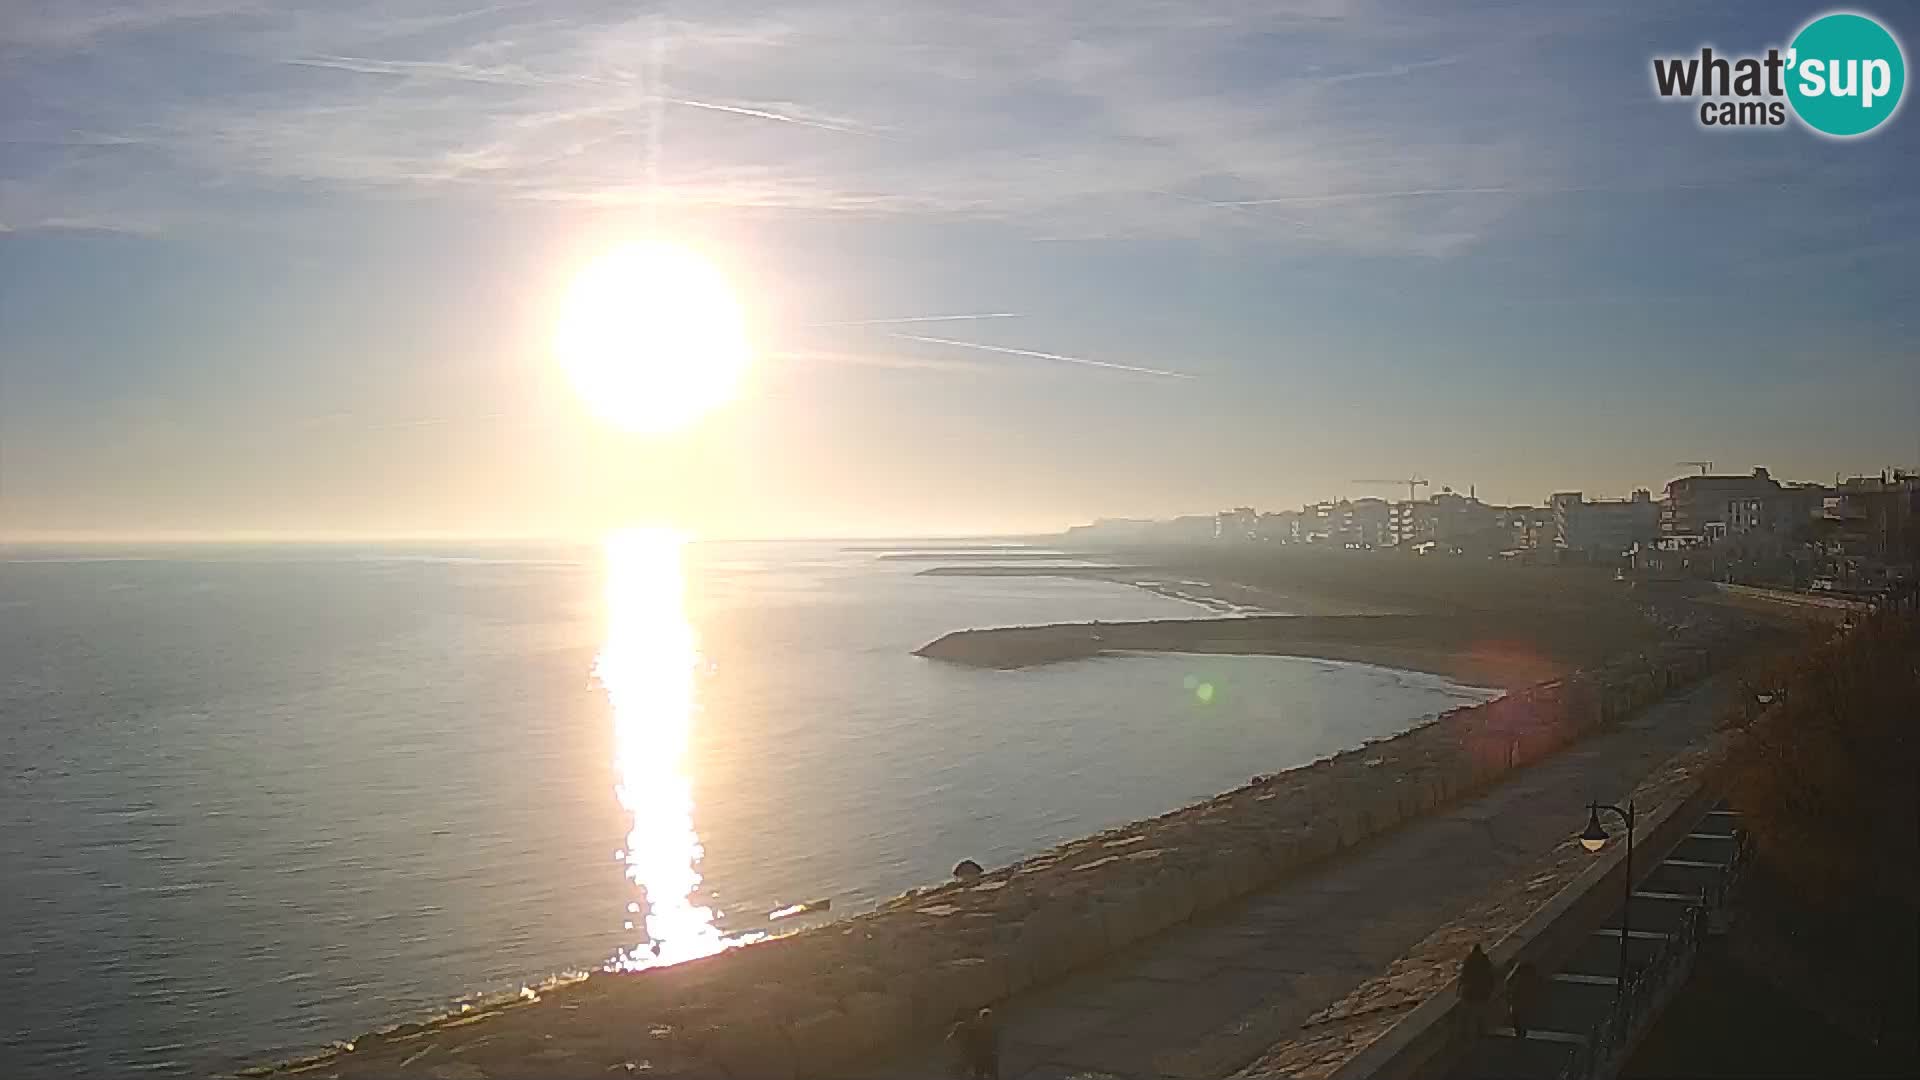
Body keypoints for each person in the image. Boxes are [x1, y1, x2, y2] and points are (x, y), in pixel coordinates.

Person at [947, 1006, 999, 1079]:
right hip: (978, 1057)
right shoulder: (973, 1029)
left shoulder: (987, 1029)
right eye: (984, 1016)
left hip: (985, 1056)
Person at [1458, 944, 1494, 1035]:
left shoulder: (1469, 960)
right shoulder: (1485, 960)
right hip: (1482, 991)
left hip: (1470, 991)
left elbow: (1463, 975)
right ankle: (1481, 1031)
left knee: (1470, 1014)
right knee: (1481, 1013)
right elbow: (1490, 975)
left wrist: (1459, 989)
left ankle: (1470, 1034)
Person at [1506, 960, 1543, 1038]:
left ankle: (1519, 1032)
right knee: (1523, 1015)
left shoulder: (1517, 975)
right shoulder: (1532, 975)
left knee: (1516, 1015)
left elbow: (1508, 981)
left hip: (1517, 998)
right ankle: (1522, 1032)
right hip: (1526, 999)